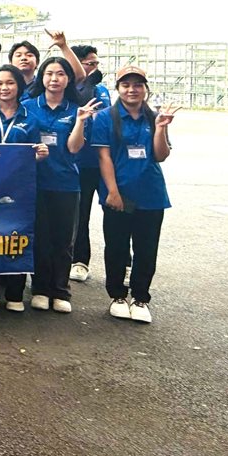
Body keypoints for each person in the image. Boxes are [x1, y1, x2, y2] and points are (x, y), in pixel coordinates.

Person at [92, 66, 176, 324]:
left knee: (146, 249)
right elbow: (104, 157)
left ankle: (140, 298)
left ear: (145, 89)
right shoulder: (105, 117)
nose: (132, 90)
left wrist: (160, 128)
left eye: (137, 85)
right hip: (119, 194)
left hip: (151, 194)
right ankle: (117, 296)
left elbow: (160, 155)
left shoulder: (154, 117)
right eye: (126, 85)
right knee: (116, 247)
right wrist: (112, 191)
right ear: (118, 88)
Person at [22, 57, 101, 314]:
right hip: (34, 182)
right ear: (41, 77)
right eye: (49, 73)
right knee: (40, 238)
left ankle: (60, 290)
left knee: (64, 239)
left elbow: (74, 148)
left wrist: (80, 121)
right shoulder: (28, 107)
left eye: (60, 74)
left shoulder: (77, 110)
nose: (54, 79)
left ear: (68, 79)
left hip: (66, 182)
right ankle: (40, 289)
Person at [0, 65, 49, 311]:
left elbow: (34, 151)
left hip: (18, 188)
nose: (4, 88)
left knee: (16, 234)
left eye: (10, 83)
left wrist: (40, 154)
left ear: (19, 86)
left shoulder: (30, 118)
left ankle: (15, 291)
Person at [69, 44, 111, 283]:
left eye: (96, 63)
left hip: (105, 162)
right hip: (81, 162)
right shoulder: (71, 90)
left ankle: (123, 263)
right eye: (90, 63)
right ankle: (80, 261)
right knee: (81, 214)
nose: (95, 68)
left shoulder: (102, 90)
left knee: (114, 212)